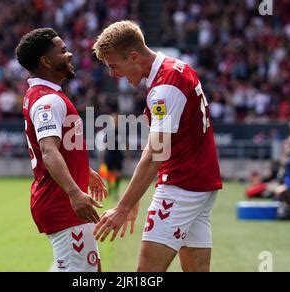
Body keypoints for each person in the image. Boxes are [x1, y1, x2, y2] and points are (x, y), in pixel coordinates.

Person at [92, 21, 222, 272]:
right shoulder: (175, 69)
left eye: (114, 66)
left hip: (181, 186)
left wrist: (123, 207)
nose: (112, 74)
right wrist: (136, 196)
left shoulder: (165, 86)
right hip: (198, 185)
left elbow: (155, 154)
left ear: (133, 57)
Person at [15, 28, 107, 272]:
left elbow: (59, 148)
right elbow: (48, 151)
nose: (70, 55)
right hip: (62, 203)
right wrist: (75, 192)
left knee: (91, 270)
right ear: (45, 61)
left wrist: (83, 170)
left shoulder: (43, 95)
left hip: (61, 201)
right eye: (63, 51)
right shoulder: (48, 101)